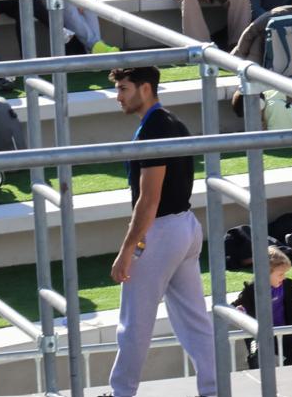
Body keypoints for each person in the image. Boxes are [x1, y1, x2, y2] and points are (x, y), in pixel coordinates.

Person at [105, 65, 218, 397]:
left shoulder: (154, 128)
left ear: (145, 88)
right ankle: (214, 389)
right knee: (195, 320)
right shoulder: (172, 122)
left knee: (134, 322)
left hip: (162, 232)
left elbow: (149, 200)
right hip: (185, 228)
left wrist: (127, 250)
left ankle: (121, 393)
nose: (118, 97)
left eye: (123, 89)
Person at [232, 245, 292, 370]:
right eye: (280, 274)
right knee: (257, 357)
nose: (283, 277)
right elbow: (236, 305)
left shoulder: (286, 286)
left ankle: (282, 372)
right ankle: (257, 373)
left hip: (282, 333)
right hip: (259, 336)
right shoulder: (251, 291)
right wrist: (238, 310)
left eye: (284, 274)